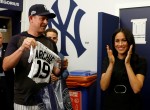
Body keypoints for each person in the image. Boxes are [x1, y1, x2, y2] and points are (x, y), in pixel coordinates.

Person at [2, 4, 61, 110]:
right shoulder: (17, 39)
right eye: (42, 19)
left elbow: (56, 70)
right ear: (31, 18)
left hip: (45, 100)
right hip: (23, 101)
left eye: (47, 19)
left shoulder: (50, 43)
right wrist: (22, 48)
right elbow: (6, 66)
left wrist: (62, 67)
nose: (46, 22)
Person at [100, 28, 147, 110]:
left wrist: (127, 64)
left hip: (132, 105)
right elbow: (103, 86)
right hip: (111, 105)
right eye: (117, 41)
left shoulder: (140, 61)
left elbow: (136, 89)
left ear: (129, 42)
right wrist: (111, 64)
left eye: (124, 40)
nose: (120, 44)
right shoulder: (108, 60)